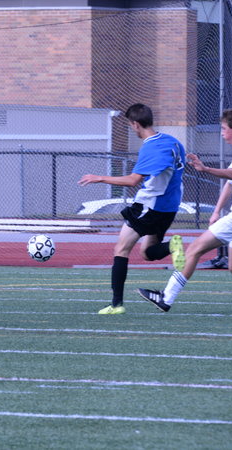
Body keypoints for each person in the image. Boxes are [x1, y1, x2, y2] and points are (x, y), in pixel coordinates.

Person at [139, 108, 232, 312]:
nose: (221, 132)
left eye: (223, 128)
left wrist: (205, 169)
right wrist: (217, 210)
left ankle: (166, 297)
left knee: (195, 249)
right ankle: (166, 298)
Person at [78, 103, 186, 314]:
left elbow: (132, 180)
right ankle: (172, 246)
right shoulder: (173, 142)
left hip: (150, 205)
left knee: (121, 249)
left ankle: (116, 305)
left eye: (130, 125)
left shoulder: (151, 147)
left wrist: (100, 178)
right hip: (169, 207)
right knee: (148, 253)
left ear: (135, 124)